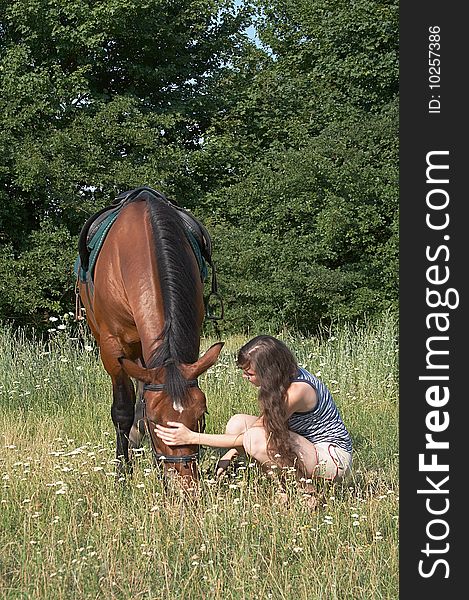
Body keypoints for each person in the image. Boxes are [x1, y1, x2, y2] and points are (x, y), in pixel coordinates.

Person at [155, 335, 352, 505]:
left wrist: (192, 437)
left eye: (249, 373)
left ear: (268, 372)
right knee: (237, 423)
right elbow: (260, 426)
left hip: (331, 458)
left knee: (253, 439)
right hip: (308, 448)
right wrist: (230, 453)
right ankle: (284, 487)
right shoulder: (284, 379)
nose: (244, 377)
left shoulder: (297, 391)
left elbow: (254, 436)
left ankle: (306, 492)